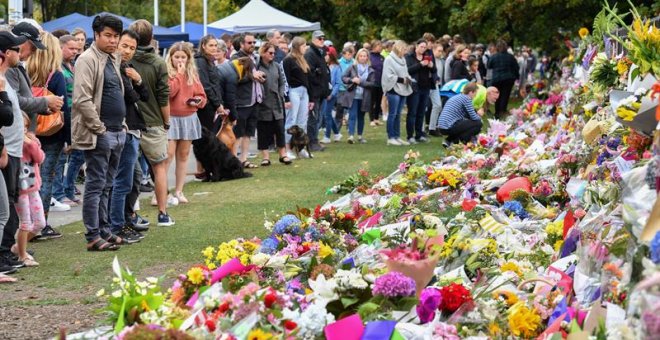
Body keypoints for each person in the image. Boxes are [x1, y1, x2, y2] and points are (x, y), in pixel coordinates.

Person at [71, 14, 127, 251]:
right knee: (95, 185)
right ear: (96, 35)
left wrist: (121, 125)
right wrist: (100, 129)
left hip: (117, 130)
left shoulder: (113, 57)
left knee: (107, 184)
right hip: (99, 134)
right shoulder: (87, 59)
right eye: (108, 35)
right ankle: (93, 235)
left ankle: (104, 229)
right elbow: (82, 100)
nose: (113, 40)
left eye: (116, 36)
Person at [129, 19, 175, 227]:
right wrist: (166, 121)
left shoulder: (124, 59)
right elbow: (163, 96)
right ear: (151, 36)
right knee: (159, 168)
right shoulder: (158, 62)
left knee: (128, 168)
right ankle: (163, 214)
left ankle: (132, 211)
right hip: (154, 120)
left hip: (130, 120)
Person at [25, 32, 71, 237]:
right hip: (52, 133)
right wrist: (69, 138)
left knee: (29, 180)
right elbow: (64, 109)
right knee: (46, 178)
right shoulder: (56, 75)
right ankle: (41, 224)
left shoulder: (25, 72)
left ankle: (26, 223)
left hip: (30, 132)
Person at [108, 29, 150, 243]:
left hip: (133, 128)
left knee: (133, 180)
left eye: (132, 48)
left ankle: (124, 217)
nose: (127, 51)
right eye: (124, 45)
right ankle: (117, 225)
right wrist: (134, 83)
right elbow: (132, 96)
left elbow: (144, 95)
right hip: (124, 129)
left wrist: (139, 79)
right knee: (122, 181)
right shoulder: (114, 68)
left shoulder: (127, 68)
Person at [0, 30, 28, 273]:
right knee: (6, 204)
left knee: (11, 200)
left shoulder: (6, 78)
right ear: (6, 53)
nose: (20, 52)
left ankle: (7, 250)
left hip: (14, 148)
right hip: (6, 150)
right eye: (16, 49)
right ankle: (2, 253)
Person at [166, 42, 207, 203]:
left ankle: (179, 190)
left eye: (183, 57)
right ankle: (161, 192)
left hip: (188, 117)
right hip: (171, 118)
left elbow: (202, 96)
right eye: (177, 57)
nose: (180, 60)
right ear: (171, 58)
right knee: (167, 156)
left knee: (183, 155)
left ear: (189, 58)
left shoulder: (193, 74)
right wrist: (179, 74)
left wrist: (198, 101)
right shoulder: (168, 73)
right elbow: (170, 92)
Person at [52, 35, 84, 209]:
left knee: (78, 154)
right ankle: (58, 193)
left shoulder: (71, 66)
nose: (75, 51)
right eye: (71, 48)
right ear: (61, 47)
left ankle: (68, 189)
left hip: (75, 116)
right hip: (64, 116)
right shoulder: (57, 68)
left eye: (77, 49)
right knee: (61, 156)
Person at [15, 113, 45, 266]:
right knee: (25, 222)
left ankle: (17, 247)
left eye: (26, 127)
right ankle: (22, 255)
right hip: (20, 190)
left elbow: (40, 158)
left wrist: (33, 143)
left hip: (33, 187)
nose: (24, 130)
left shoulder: (31, 143)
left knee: (40, 223)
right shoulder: (13, 143)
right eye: (21, 127)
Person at [230, 33, 264, 166]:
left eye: (254, 42)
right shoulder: (236, 58)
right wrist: (252, 76)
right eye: (249, 43)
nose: (253, 45)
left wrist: (260, 76)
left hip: (254, 100)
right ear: (242, 44)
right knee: (238, 133)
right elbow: (234, 79)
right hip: (242, 102)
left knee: (248, 132)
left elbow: (253, 75)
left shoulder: (254, 57)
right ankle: (233, 161)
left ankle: (243, 159)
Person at [256, 42, 291, 166]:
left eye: (274, 53)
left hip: (277, 102)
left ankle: (283, 154)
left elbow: (282, 82)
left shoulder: (276, 65)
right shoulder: (257, 66)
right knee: (263, 130)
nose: (273, 55)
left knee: (280, 128)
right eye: (270, 53)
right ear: (263, 53)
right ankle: (265, 157)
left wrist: (281, 94)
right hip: (262, 103)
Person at [282, 37, 312, 160]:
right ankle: (287, 148)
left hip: (304, 91)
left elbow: (307, 79)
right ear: (297, 46)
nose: (305, 48)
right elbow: (286, 80)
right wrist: (286, 97)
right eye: (303, 46)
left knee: (302, 120)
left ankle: (301, 148)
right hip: (293, 90)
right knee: (291, 120)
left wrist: (311, 98)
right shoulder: (288, 60)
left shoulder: (302, 59)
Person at [340, 48, 375, 144]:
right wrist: (352, 80)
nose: (363, 58)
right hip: (353, 95)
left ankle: (360, 136)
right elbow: (343, 78)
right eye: (361, 56)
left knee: (361, 116)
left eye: (365, 56)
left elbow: (372, 84)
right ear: (358, 57)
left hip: (364, 97)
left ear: (367, 57)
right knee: (352, 115)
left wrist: (361, 82)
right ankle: (351, 136)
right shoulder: (352, 67)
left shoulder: (370, 70)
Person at [405, 39, 436, 144]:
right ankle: (410, 136)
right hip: (414, 87)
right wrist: (420, 64)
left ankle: (419, 134)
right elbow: (408, 70)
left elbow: (434, 70)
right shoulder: (409, 57)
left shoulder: (427, 56)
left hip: (425, 87)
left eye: (424, 47)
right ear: (416, 46)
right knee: (412, 112)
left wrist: (431, 66)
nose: (423, 49)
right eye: (421, 47)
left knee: (421, 112)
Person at [381, 40, 412, 146]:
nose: (405, 51)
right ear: (399, 49)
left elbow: (406, 73)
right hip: (393, 89)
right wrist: (401, 80)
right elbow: (388, 76)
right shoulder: (389, 59)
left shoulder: (402, 59)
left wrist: (408, 79)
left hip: (403, 89)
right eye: (404, 49)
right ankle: (390, 137)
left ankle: (397, 136)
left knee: (398, 114)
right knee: (392, 114)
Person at [304, 30, 330, 152]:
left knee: (318, 118)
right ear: (314, 39)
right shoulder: (310, 53)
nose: (322, 40)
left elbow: (324, 71)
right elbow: (309, 73)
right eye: (320, 38)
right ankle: (311, 142)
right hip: (314, 92)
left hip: (321, 91)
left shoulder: (320, 52)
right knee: (313, 118)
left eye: (323, 38)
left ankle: (314, 139)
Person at [195, 35, 224, 134]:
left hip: (212, 104)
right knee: (206, 137)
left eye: (216, 45)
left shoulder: (209, 61)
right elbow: (205, 85)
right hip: (206, 106)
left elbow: (215, 84)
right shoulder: (200, 61)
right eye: (211, 45)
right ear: (203, 46)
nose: (214, 48)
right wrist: (217, 104)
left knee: (211, 136)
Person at [487, 39, 519, 119]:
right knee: (505, 95)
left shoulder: (494, 56)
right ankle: (503, 110)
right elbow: (516, 67)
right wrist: (516, 77)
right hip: (508, 78)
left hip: (497, 78)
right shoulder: (510, 57)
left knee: (497, 95)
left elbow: (489, 65)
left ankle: (497, 112)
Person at [319, 51, 342, 144]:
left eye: (327, 55)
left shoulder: (336, 68)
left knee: (327, 114)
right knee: (327, 114)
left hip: (331, 94)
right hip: (325, 93)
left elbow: (337, 83)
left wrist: (331, 94)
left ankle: (327, 136)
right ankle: (336, 133)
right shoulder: (325, 66)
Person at [428, 42, 445, 135]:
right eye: (439, 51)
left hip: (436, 84)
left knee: (438, 105)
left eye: (442, 51)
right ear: (433, 50)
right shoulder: (430, 59)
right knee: (424, 108)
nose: (440, 53)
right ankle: (422, 128)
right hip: (427, 84)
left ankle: (432, 127)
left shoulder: (441, 61)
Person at [368, 40, 385, 127]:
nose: (380, 47)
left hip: (381, 82)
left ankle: (376, 118)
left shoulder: (382, 57)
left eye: (381, 46)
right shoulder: (369, 56)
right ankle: (371, 119)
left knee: (378, 101)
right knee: (372, 101)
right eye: (378, 46)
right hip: (372, 82)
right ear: (374, 46)